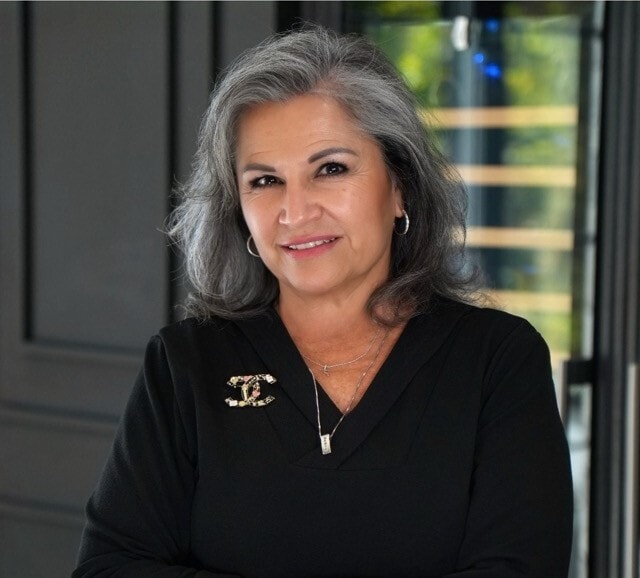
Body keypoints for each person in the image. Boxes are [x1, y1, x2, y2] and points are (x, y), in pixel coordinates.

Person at [74, 26, 573, 577]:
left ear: (400, 187)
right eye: (265, 181)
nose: (295, 212)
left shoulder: (498, 361)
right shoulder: (186, 363)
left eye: (330, 169)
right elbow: (108, 568)